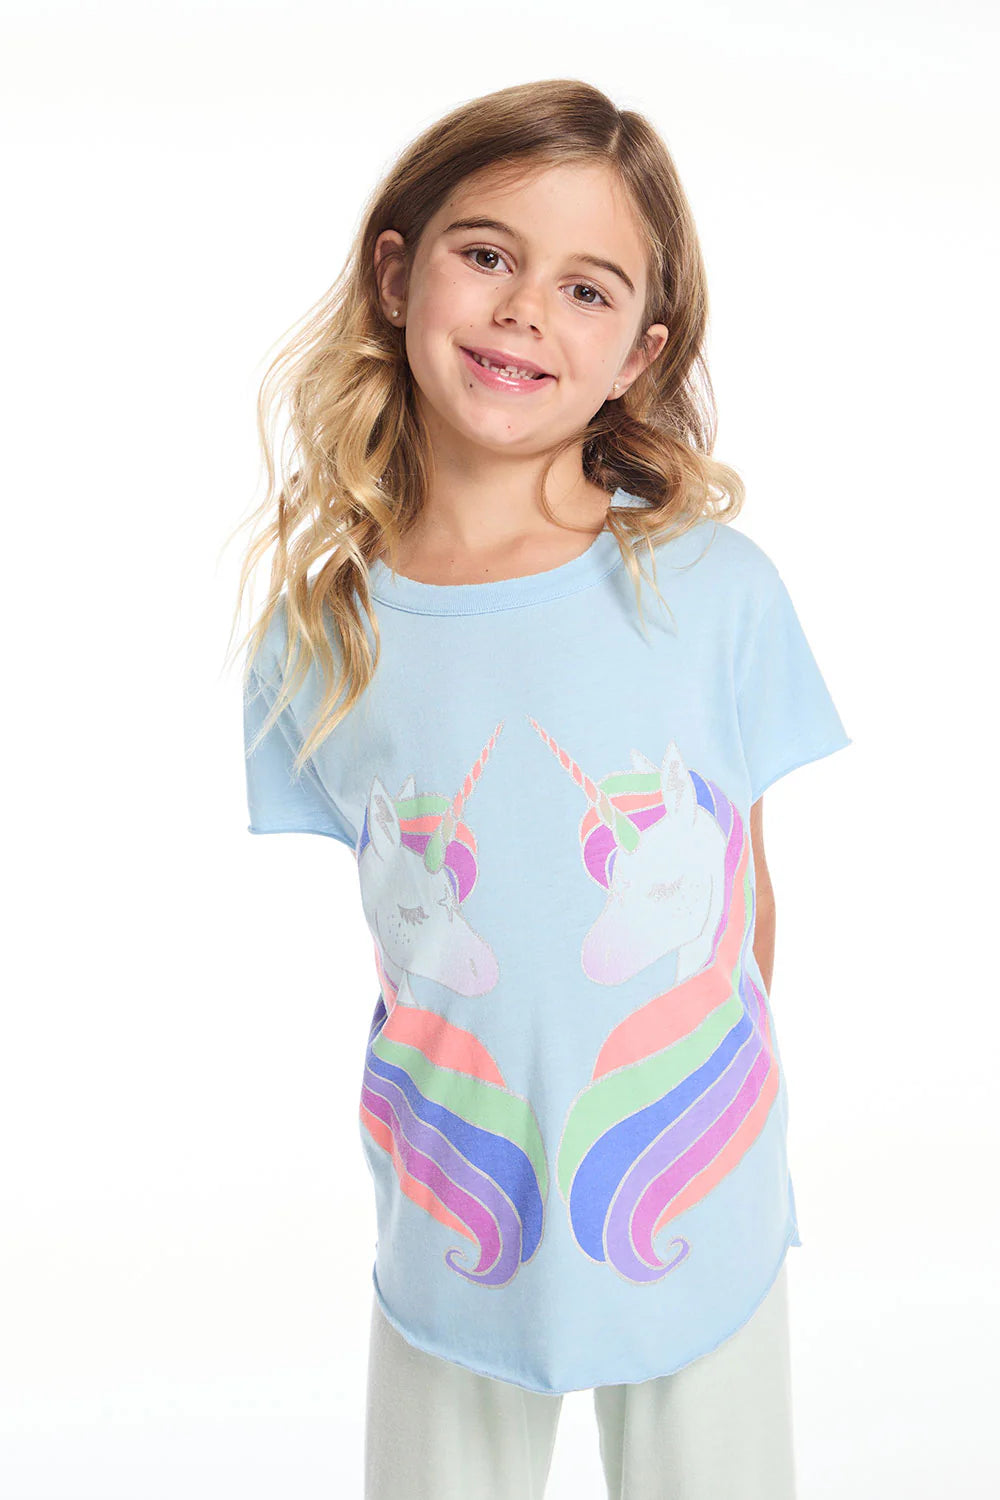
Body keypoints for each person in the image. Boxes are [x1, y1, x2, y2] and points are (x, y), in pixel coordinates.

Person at [232, 78, 853, 1500]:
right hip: (453, 1206)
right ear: (398, 275)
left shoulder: (709, 591)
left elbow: (743, 902)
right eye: (488, 254)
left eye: (585, 289)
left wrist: (689, 1130)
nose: (524, 312)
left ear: (638, 354)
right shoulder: (322, 636)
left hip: (695, 1204)